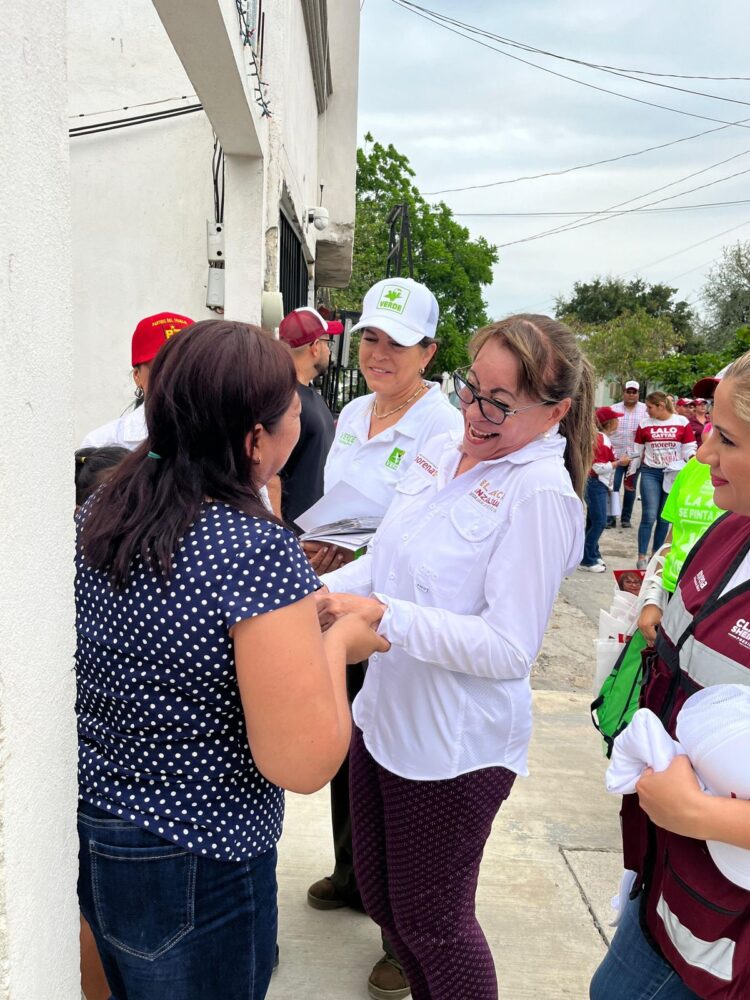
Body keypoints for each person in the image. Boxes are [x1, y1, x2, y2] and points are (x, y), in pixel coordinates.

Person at [75, 320, 388, 1000]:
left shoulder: (108, 505)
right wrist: (339, 642)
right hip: (200, 854)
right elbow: (303, 762)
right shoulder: (248, 548)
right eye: (290, 414)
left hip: (100, 828)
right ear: (255, 438)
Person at [318, 314, 594, 1000]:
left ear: (555, 411)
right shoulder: (445, 448)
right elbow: (386, 558)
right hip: (385, 720)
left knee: (434, 924)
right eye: (473, 388)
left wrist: (388, 619)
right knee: (384, 905)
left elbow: (508, 649)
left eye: (502, 403)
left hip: (454, 748)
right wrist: (311, 596)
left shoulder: (539, 495)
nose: (476, 412)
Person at [303, 276, 462, 1000]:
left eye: (397, 343)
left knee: (394, 760)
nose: (378, 353)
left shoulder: (444, 427)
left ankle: (402, 936)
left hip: (393, 610)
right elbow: (342, 507)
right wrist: (320, 552)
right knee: (346, 737)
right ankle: (351, 871)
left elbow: (413, 535)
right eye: (369, 337)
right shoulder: (355, 410)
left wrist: (345, 570)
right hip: (341, 595)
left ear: (429, 350)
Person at [590, 350, 750, 1000]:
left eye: (729, 438)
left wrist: (703, 814)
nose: (704, 452)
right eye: (709, 426)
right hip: (667, 881)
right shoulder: (728, 533)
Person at [81, 312, 193, 449]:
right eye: (161, 367)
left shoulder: (223, 439)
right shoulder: (102, 443)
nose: (175, 377)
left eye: (187, 366)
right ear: (137, 376)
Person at [277, 307, 343, 531]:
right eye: (328, 343)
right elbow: (271, 477)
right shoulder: (285, 399)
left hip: (313, 531)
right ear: (315, 347)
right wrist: (281, 536)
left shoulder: (307, 394)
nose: (329, 351)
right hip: (294, 533)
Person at [631, 391, 696, 570]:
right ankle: (641, 556)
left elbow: (689, 447)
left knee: (664, 517)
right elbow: (636, 450)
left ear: (661, 406)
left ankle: (656, 555)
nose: (647, 411)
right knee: (649, 515)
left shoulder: (681, 422)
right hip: (650, 472)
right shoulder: (644, 424)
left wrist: (692, 461)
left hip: (673, 474)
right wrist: (631, 474)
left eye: (650, 407)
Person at [580, 406, 628, 572]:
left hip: (597, 483)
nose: (618, 422)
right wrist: (619, 463)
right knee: (599, 522)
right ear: (610, 422)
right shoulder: (601, 439)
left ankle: (591, 553)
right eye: (616, 419)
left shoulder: (600, 438)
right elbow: (598, 467)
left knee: (593, 521)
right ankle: (587, 559)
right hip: (595, 483)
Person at [608, 380, 648, 529]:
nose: (631, 395)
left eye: (634, 392)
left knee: (630, 488)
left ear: (638, 394)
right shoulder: (614, 409)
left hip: (634, 457)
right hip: (616, 454)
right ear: (623, 392)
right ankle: (611, 517)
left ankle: (626, 518)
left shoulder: (645, 410)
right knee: (614, 487)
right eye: (628, 391)